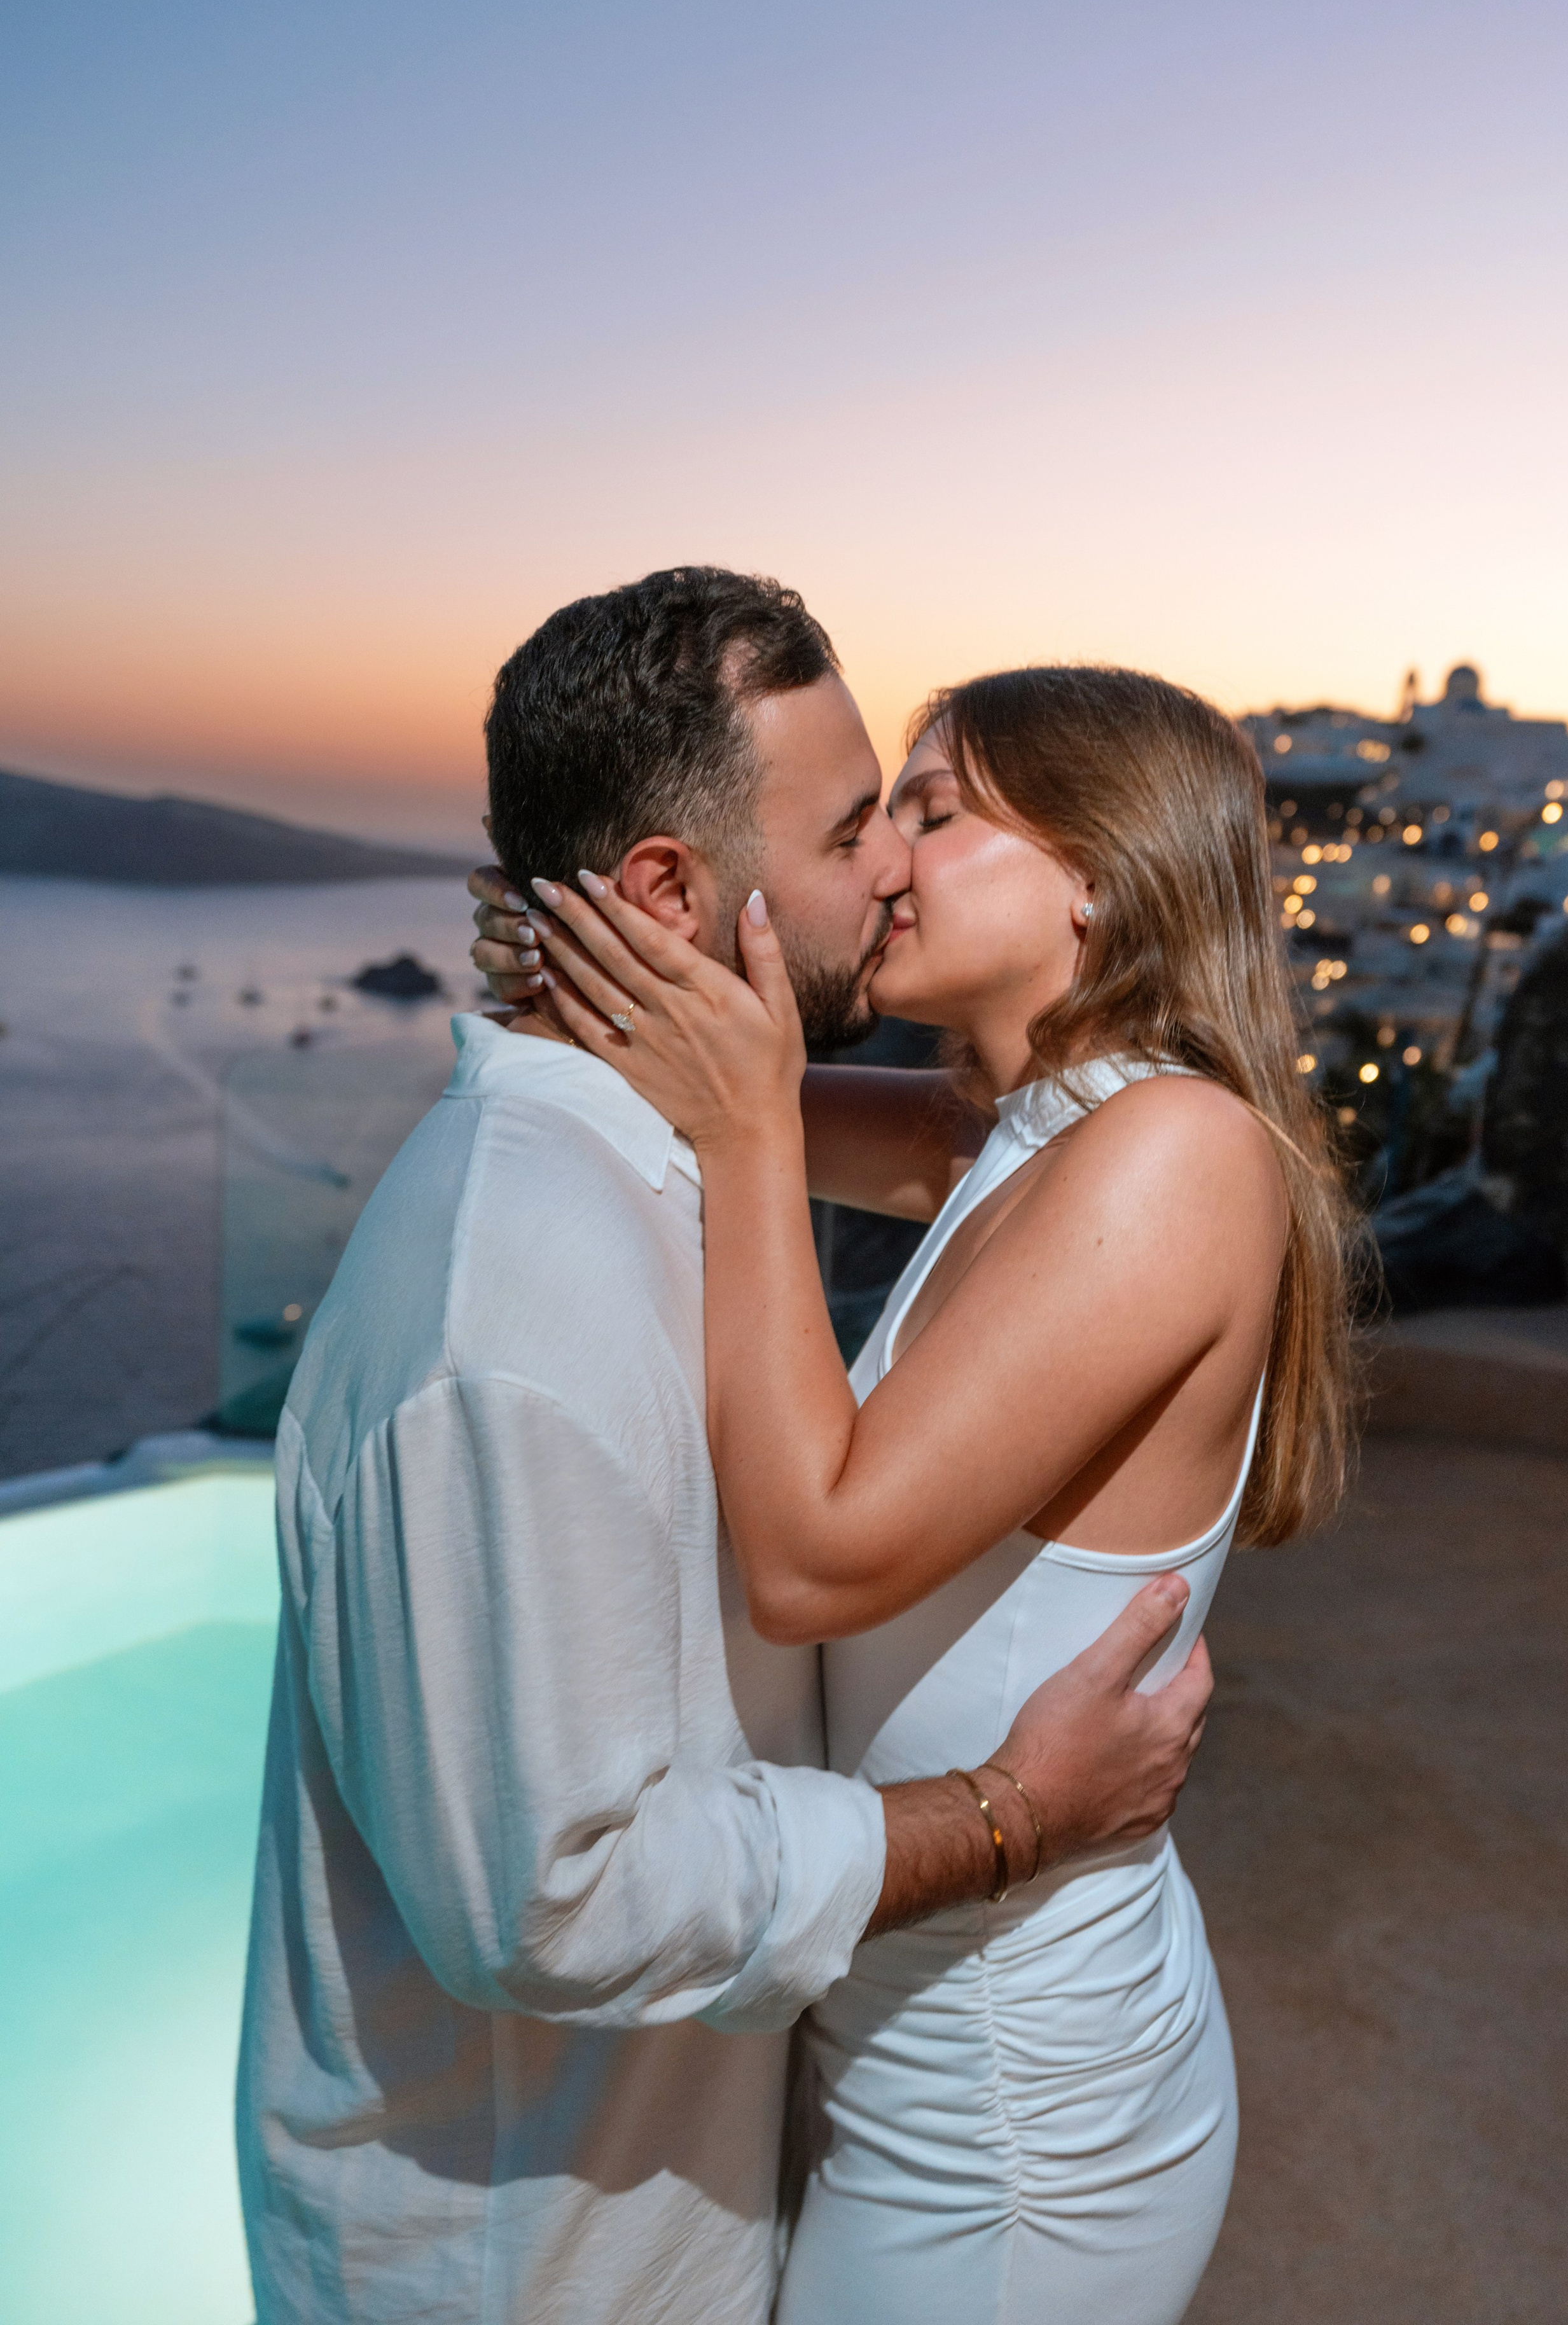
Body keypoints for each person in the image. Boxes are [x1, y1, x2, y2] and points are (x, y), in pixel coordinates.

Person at [236, 570, 1216, 2325]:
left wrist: (707, 1066)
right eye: (859, 827)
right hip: (529, 2268)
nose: (892, 870)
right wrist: (1010, 1814)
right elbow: (560, 1899)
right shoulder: (509, 1318)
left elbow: (971, 1136)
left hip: (737, 2172)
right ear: (675, 889)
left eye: (927, 818)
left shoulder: (687, 1167)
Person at [475, 657, 1357, 2324]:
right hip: (903, 2042)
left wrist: (743, 1133)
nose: (884, 858)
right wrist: (600, 952)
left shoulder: (1178, 1156)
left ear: (1100, 871)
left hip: (1016, 2132)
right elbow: (712, 1072)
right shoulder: (1021, 1133)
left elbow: (817, 1558)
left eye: (935, 815)